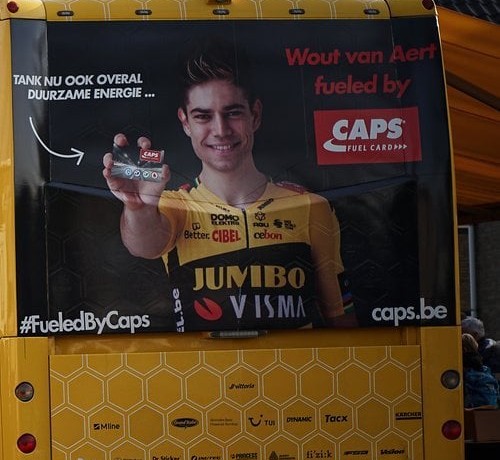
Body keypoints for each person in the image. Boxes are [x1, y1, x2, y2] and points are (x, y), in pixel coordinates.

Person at [102, 42, 354, 331]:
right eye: (203, 116)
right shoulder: (178, 207)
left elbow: (342, 320)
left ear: (255, 115)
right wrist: (139, 208)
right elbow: (143, 244)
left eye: (233, 113)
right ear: (185, 123)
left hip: (292, 373)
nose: (220, 130)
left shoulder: (310, 206)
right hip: (201, 374)